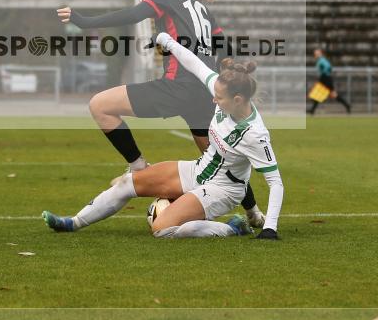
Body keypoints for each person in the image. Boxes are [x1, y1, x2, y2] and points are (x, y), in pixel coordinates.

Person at [57, 0, 266, 227]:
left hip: (176, 87)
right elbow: (223, 47)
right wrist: (225, 74)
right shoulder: (199, 5)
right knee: (220, 157)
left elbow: (133, 15)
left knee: (99, 105)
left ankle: (137, 166)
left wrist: (84, 22)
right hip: (205, 92)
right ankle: (253, 213)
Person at [42, 32, 283, 239]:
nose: (214, 100)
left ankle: (233, 228)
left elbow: (275, 183)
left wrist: (270, 228)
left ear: (238, 100)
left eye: (219, 98)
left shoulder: (255, 134)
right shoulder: (224, 90)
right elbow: (194, 64)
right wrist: (168, 41)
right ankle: (72, 223)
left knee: (161, 228)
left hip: (223, 190)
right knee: (129, 182)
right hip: (198, 170)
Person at [307, 48, 351, 115]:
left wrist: (325, 72)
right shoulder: (320, 60)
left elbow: (329, 67)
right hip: (324, 79)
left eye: (317, 53)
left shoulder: (322, 60)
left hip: (326, 79)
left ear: (321, 54)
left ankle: (347, 105)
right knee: (318, 94)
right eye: (315, 54)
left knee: (332, 94)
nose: (316, 55)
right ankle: (312, 110)